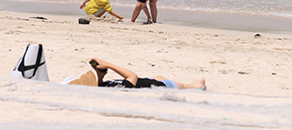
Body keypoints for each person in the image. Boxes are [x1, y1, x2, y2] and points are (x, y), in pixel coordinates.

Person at [70, 58, 205, 90]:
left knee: (158, 76)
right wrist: (108, 65)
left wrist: (100, 74)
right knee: (180, 85)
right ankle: (195, 86)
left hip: (146, 80)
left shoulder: (103, 86)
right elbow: (132, 77)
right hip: (159, 86)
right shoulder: (119, 90)